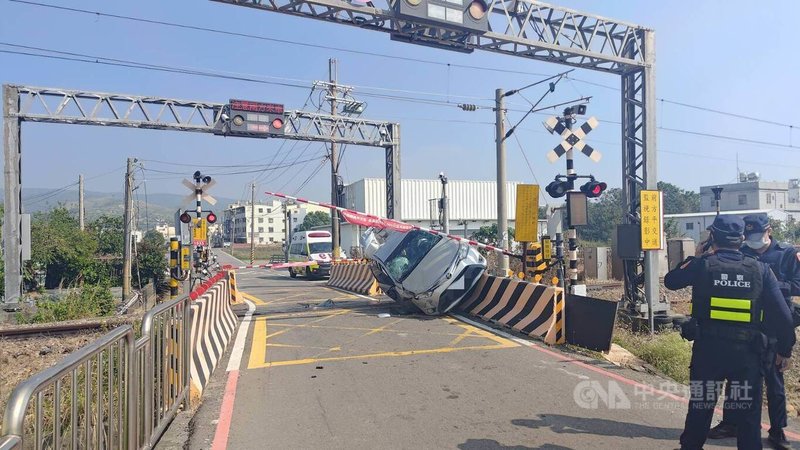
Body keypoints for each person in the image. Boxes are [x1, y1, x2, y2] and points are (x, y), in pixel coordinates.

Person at [665, 215, 795, 450]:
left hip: (708, 352)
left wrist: (698, 255)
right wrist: (785, 350)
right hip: (748, 355)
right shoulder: (761, 270)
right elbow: (783, 317)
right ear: (741, 239)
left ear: (712, 237)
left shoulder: (702, 265)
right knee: (747, 415)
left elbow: (671, 281)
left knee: (701, 406)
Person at [708, 214, 800, 449]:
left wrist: (766, 282)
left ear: (769, 230)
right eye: (748, 236)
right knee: (737, 379)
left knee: (774, 380)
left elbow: (797, 285)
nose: (752, 240)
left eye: (756, 235)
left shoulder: (788, 254)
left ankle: (778, 429)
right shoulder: (744, 252)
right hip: (745, 323)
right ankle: (731, 422)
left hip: (774, 325)